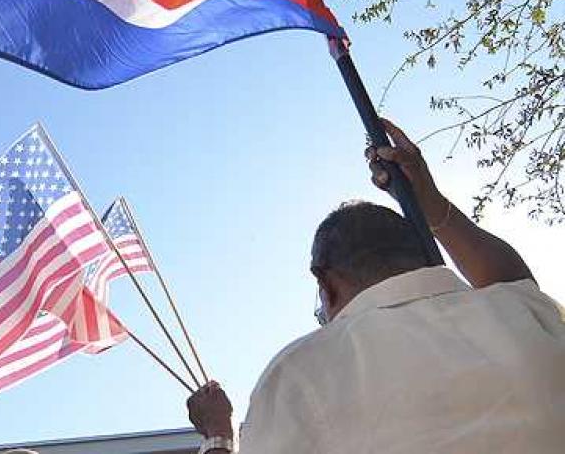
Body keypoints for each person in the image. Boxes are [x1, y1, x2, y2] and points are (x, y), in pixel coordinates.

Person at [186, 119, 565, 453]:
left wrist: (218, 435)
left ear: (326, 283)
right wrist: (429, 204)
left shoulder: (299, 373)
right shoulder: (523, 314)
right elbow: (513, 279)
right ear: (422, 254)